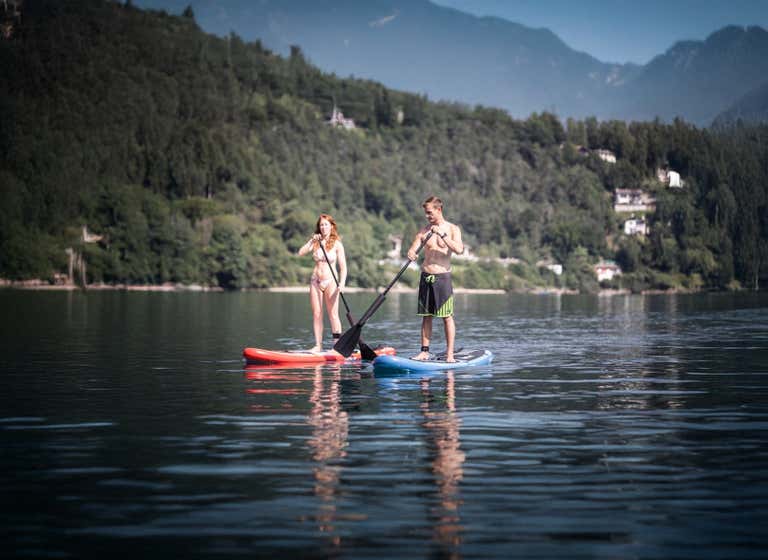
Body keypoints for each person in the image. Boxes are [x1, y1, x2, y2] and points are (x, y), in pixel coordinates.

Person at [407, 196, 464, 362]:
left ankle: (450, 354)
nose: (427, 216)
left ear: (439, 210)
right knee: (426, 316)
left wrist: (443, 235)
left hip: (442, 278)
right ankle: (424, 352)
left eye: (430, 213)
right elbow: (413, 248)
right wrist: (411, 252)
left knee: (447, 316)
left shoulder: (453, 229)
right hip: (426, 276)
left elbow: (459, 249)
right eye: (426, 213)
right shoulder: (424, 231)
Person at [297, 214, 347, 352]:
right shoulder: (315, 242)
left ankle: (336, 346)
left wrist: (342, 283)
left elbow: (343, 267)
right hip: (315, 280)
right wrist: (311, 240)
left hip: (331, 281)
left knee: (333, 314)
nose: (323, 227)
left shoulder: (337, 244)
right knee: (317, 313)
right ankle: (318, 345)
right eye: (321, 225)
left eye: (326, 224)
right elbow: (300, 253)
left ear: (331, 226)